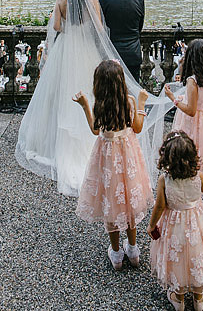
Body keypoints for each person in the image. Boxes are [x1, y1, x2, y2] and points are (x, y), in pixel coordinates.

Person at [15, 0, 170, 197]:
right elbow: (99, 29)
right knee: (92, 88)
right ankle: (93, 133)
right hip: (86, 47)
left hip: (66, 48)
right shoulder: (92, 2)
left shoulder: (61, 0)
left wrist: (69, 27)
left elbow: (56, 27)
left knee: (60, 92)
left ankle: (56, 140)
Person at [73, 60, 152, 270]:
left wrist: (84, 106)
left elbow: (94, 129)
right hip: (127, 157)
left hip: (108, 159)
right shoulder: (129, 101)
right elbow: (137, 127)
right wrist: (142, 102)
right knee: (128, 200)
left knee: (112, 202)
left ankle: (116, 253)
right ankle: (133, 249)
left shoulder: (100, 104)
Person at [148, 131, 203, 311]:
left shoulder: (165, 180)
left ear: (167, 157)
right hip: (196, 222)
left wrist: (151, 224)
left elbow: (160, 206)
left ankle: (178, 298)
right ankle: (198, 296)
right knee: (196, 252)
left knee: (176, 256)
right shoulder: (197, 175)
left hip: (174, 225)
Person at [164, 39, 203, 178]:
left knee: (191, 150)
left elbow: (191, 111)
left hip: (194, 121)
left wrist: (173, 98)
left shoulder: (193, 80)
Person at [98, 0, 145, 82]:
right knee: (133, 90)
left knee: (111, 90)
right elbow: (139, 27)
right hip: (133, 54)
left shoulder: (103, 1)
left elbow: (101, 28)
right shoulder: (139, 0)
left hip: (111, 54)